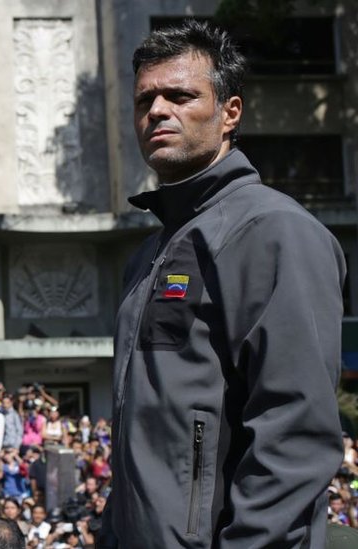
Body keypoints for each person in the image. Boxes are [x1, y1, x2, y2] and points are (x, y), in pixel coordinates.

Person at [102, 20, 345, 548]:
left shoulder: (275, 232)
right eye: (145, 100)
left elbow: (294, 433)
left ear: (230, 112)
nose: (158, 111)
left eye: (180, 95)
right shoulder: (149, 253)